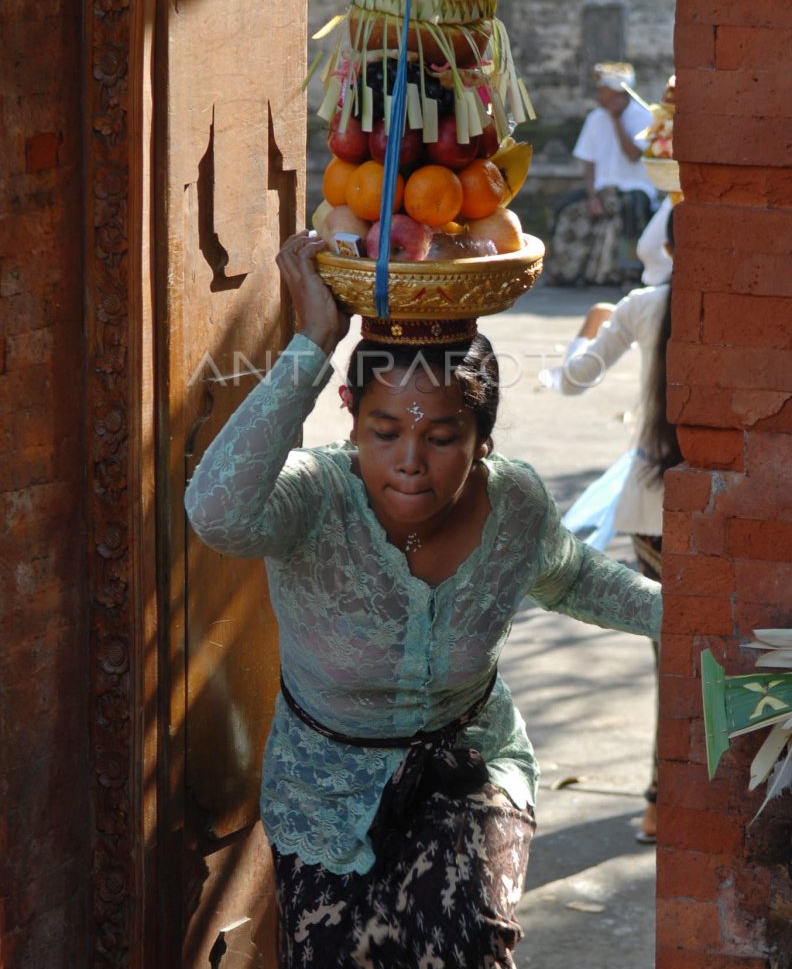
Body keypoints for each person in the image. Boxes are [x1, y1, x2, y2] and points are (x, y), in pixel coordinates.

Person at [185, 230, 662, 967]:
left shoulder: (514, 506)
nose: (410, 461)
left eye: (442, 436)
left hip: (471, 768)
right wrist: (313, 342)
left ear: (483, 439)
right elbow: (216, 511)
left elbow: (572, 578)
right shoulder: (314, 499)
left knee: (469, 941)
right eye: (384, 431)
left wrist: (690, 615)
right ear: (350, 418)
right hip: (325, 794)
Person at [543, 207, 679, 842]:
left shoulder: (642, 305)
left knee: (673, 658)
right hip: (713, 503)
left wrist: (589, 324)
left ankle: (661, 800)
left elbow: (572, 380)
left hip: (656, 510)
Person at [546, 62, 656, 287]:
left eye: (602, 90)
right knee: (565, 207)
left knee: (629, 207)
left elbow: (633, 155)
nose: (598, 94)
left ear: (617, 93)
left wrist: (616, 120)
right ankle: (564, 270)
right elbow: (589, 163)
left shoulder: (644, 117)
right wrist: (592, 196)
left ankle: (629, 274)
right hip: (602, 188)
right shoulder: (595, 118)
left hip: (636, 187)